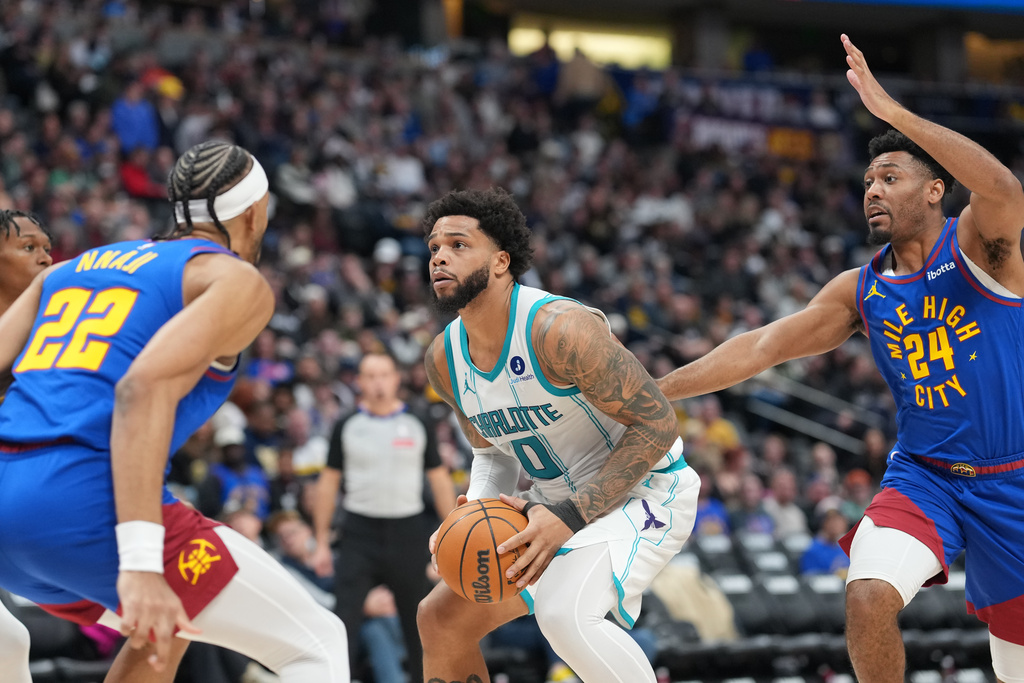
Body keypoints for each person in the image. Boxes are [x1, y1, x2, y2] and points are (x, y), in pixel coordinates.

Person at [656, 35, 1024, 683]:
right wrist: (658, 389)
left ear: (936, 189)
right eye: (868, 181)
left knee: (1013, 666)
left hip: (1013, 478)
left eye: (891, 177)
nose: (873, 190)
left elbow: (1001, 187)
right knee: (866, 595)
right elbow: (760, 347)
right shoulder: (862, 288)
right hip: (926, 477)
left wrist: (894, 113)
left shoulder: (978, 250)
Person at [0, 140, 348, 681]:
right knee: (316, 645)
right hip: (83, 501)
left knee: (169, 628)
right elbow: (141, 390)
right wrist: (140, 562)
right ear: (255, 212)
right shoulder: (234, 279)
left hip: (8, 511)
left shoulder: (69, 268)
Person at [415, 187, 700, 683]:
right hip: (550, 509)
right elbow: (491, 454)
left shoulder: (560, 329)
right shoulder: (444, 359)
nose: (440, 256)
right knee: (439, 619)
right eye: (435, 247)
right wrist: (472, 512)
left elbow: (658, 424)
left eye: (458, 245)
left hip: (643, 491)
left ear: (501, 261)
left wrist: (568, 515)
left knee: (563, 613)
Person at [312, 351, 457, 683]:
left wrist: (451, 534)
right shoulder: (347, 425)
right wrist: (320, 541)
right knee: (344, 620)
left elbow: (438, 479)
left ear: (396, 379)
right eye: (370, 376)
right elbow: (328, 483)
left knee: (419, 621)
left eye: (384, 375)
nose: (377, 382)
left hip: (408, 531)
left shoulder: (418, 422)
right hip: (359, 532)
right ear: (360, 382)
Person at [0, 208, 52, 683]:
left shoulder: (52, 332)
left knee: (10, 644)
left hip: (24, 507)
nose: (45, 258)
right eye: (28, 247)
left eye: (47, 248)